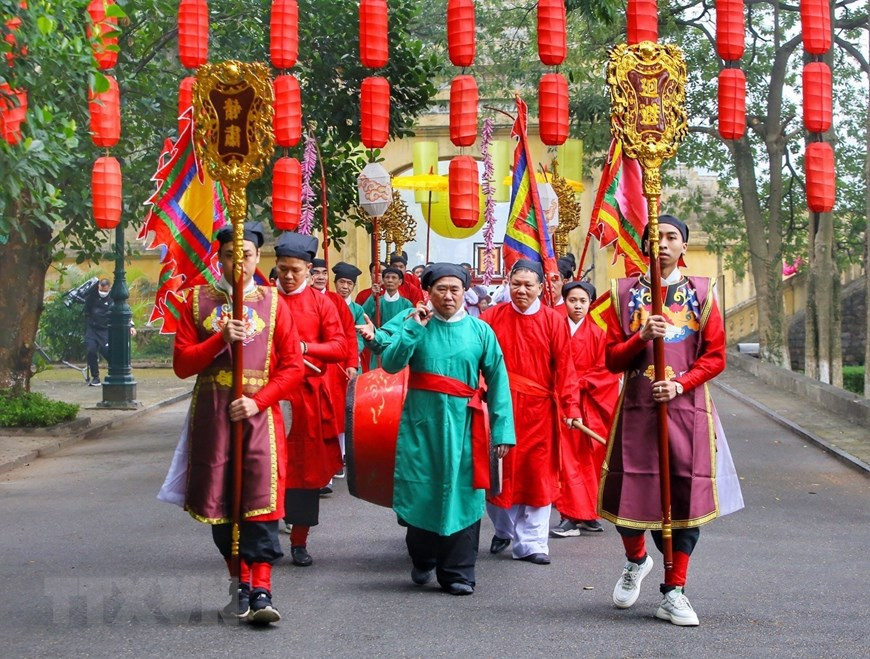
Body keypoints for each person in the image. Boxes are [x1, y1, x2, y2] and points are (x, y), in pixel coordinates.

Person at [599, 214, 741, 627]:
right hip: (637, 409)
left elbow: (715, 356)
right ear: (643, 245)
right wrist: (640, 338)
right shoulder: (622, 294)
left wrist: (681, 384)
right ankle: (635, 560)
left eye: (671, 237)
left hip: (687, 411)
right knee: (627, 490)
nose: (661, 243)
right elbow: (611, 360)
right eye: (654, 236)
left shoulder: (702, 292)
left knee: (686, 495)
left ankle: (674, 590)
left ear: (683, 246)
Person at [169, 222, 304, 624]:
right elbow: (182, 365)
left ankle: (262, 589)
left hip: (259, 419)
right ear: (219, 259)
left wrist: (258, 401)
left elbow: (293, 367)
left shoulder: (274, 304)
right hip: (214, 416)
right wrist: (219, 339)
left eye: (245, 255)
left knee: (260, 501)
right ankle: (239, 583)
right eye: (230, 255)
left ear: (258, 257)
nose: (238, 263)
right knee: (220, 501)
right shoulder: (197, 302)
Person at [357, 263, 515, 595]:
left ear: (464, 293)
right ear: (428, 292)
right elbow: (391, 364)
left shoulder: (480, 331)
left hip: (466, 427)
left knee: (464, 494)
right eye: (441, 289)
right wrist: (413, 329)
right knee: (422, 490)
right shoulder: (415, 322)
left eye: (455, 289)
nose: (448, 296)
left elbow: (499, 381)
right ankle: (423, 558)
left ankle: (458, 573)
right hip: (421, 424)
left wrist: (502, 432)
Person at [480, 259, 581, 565]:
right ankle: (504, 530)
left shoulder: (553, 321)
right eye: (516, 284)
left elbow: (566, 368)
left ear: (540, 287)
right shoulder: (490, 317)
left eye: (528, 285)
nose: (521, 290)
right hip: (499, 409)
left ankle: (533, 544)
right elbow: (476, 361)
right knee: (498, 475)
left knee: (537, 476)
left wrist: (571, 406)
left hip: (539, 413)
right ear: (508, 284)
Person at [273, 232, 347, 567]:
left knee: (303, 473)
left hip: (306, 399)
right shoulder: (263, 299)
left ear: (307, 269)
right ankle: (264, 538)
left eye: (296, 270)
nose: (289, 276)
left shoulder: (321, 303)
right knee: (267, 468)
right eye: (283, 269)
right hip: (268, 397)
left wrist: (304, 347)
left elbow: (339, 346)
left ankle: (299, 541)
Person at [550, 281, 620, 538]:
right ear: (565, 302)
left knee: (589, 463)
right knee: (566, 462)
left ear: (591, 303)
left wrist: (578, 383)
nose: (577, 306)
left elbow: (607, 370)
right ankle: (570, 515)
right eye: (572, 300)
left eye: (583, 301)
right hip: (560, 403)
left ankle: (587, 513)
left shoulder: (599, 334)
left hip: (589, 405)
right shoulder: (554, 328)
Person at [361, 266, 413, 369]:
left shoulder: (406, 304)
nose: (390, 280)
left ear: (400, 281)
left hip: (398, 347)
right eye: (387, 277)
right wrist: (372, 297)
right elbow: (363, 316)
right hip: (379, 345)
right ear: (383, 280)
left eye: (394, 278)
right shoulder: (377, 301)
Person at [83, 278, 112, 386]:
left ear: (109, 288)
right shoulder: (93, 296)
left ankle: (114, 372)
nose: (103, 292)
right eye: (101, 289)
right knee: (91, 351)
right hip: (92, 329)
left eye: (105, 290)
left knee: (107, 352)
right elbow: (86, 307)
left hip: (105, 330)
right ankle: (95, 377)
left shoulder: (112, 298)